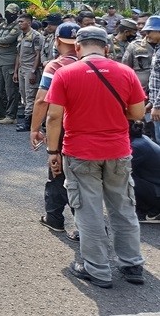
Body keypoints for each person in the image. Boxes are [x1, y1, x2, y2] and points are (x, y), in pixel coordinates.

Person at [45, 25, 146, 288]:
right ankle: (132, 264)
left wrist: (53, 152)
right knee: (123, 207)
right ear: (107, 48)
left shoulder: (65, 73)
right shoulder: (126, 72)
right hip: (118, 150)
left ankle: (98, 269)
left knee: (88, 211)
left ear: (77, 47)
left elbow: (53, 117)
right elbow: (137, 113)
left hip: (80, 152)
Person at [30, 22, 80, 239]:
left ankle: (56, 218)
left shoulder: (56, 66)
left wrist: (34, 128)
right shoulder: (92, 64)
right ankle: (85, 225)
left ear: (58, 41)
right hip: (89, 128)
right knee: (87, 179)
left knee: (57, 170)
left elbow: (42, 100)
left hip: (61, 127)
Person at [0, 4, 20, 124]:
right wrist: (0, 43)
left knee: (10, 89)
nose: (8, 14)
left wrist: (0, 41)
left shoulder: (18, 26)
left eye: (11, 13)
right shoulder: (3, 24)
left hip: (9, 61)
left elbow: (8, 40)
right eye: (7, 12)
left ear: (16, 13)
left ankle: (11, 115)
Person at [14, 13, 43, 132]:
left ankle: (29, 123)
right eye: (19, 21)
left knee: (30, 95)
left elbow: (38, 55)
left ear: (29, 23)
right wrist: (16, 71)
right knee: (24, 95)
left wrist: (33, 71)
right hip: (22, 69)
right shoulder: (21, 36)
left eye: (22, 21)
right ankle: (29, 119)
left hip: (30, 69)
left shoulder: (36, 36)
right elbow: (18, 55)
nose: (19, 23)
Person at [128, 121, 160, 223]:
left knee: (122, 177)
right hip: (155, 186)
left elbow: (116, 172)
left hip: (156, 192)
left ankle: (151, 211)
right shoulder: (142, 139)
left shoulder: (135, 146)